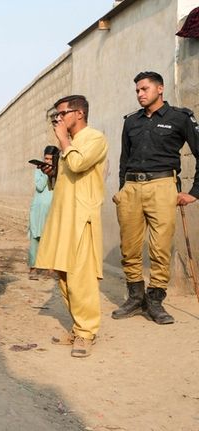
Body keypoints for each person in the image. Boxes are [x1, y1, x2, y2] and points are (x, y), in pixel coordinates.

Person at [112, 71, 199, 325]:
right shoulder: (131, 122)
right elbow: (123, 160)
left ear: (160, 89)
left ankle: (155, 301)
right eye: (137, 90)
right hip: (131, 188)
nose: (140, 94)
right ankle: (135, 297)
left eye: (144, 89)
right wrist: (121, 191)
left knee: (160, 248)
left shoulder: (180, 118)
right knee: (129, 248)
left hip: (163, 186)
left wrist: (194, 192)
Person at [35, 95, 108, 358]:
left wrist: (63, 140)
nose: (58, 119)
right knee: (64, 276)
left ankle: (87, 333)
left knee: (81, 277)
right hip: (62, 217)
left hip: (81, 219)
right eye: (56, 115)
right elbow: (68, 179)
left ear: (78, 114)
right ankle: (79, 328)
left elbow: (78, 164)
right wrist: (52, 172)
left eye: (62, 114)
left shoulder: (94, 139)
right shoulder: (72, 143)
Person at [28, 146, 59, 280]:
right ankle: (33, 268)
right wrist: (46, 173)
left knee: (52, 236)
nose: (47, 161)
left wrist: (54, 173)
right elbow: (40, 187)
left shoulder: (60, 172)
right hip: (38, 208)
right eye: (45, 158)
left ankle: (51, 268)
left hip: (53, 208)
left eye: (50, 159)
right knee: (35, 237)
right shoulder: (39, 171)